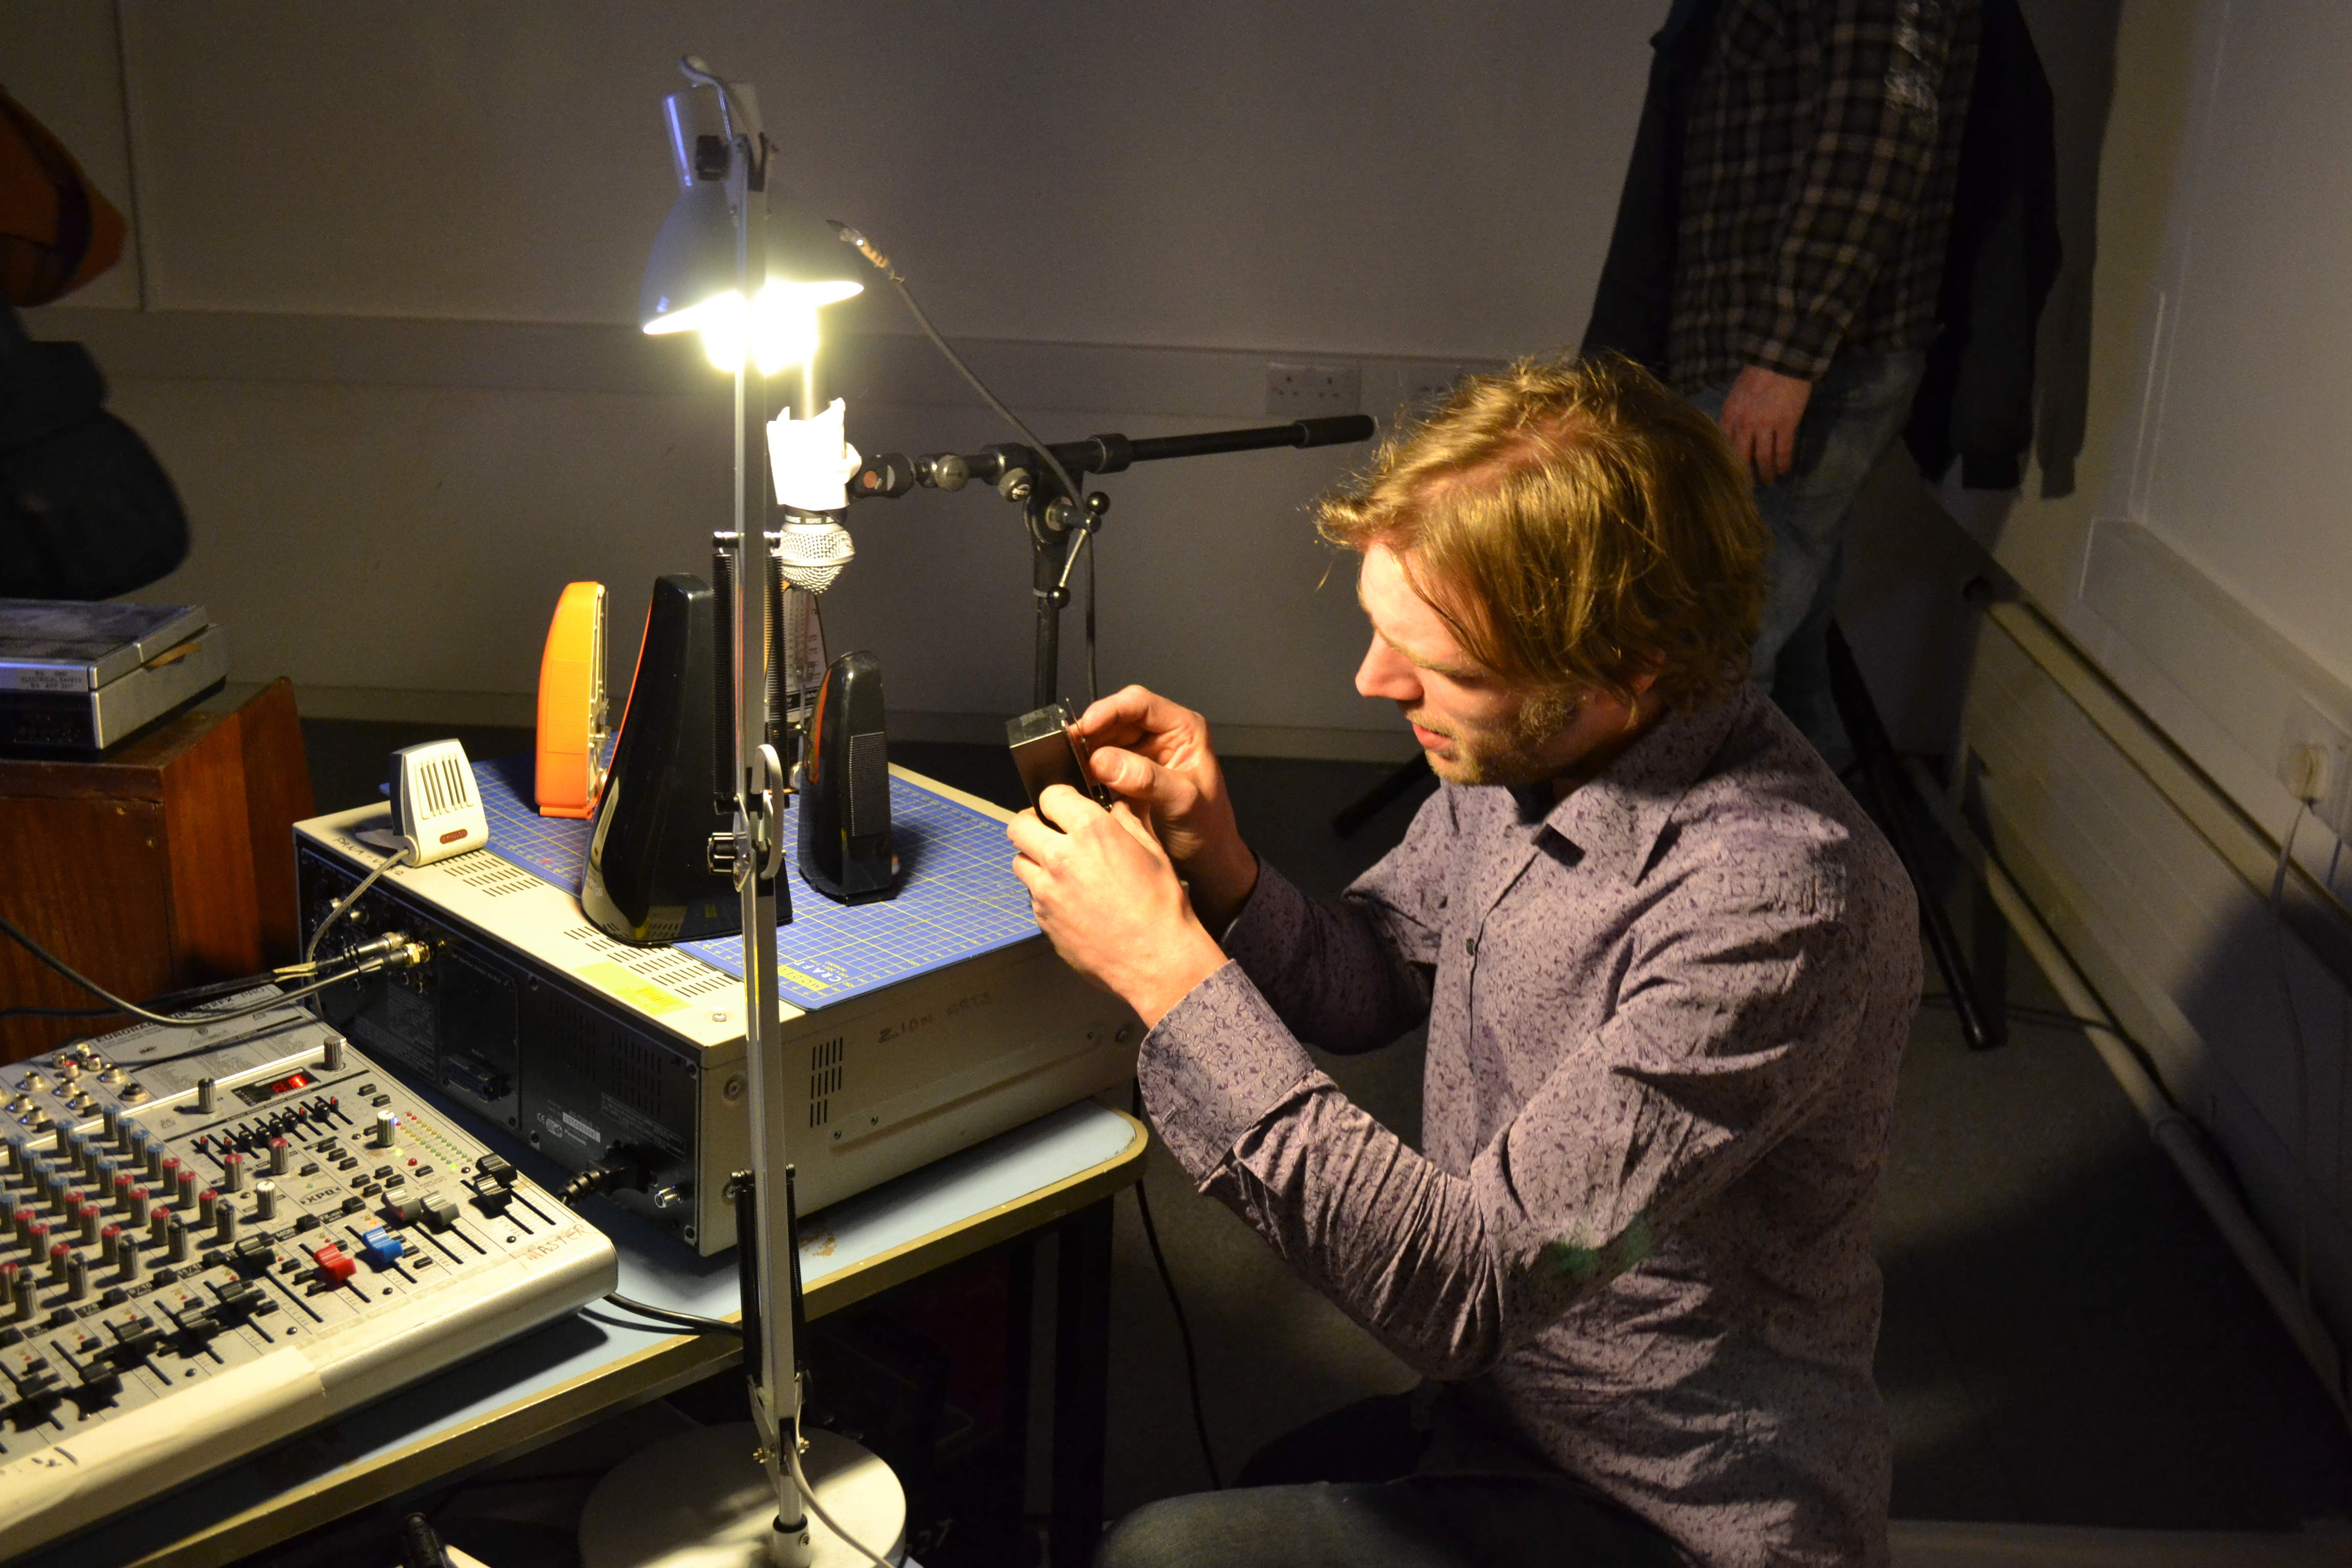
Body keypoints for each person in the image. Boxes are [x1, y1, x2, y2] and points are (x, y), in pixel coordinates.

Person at [1008, 353, 1920, 1568]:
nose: (1372, 683)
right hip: (1505, 1413)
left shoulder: (1779, 903)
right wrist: (1219, 867)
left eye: (1444, 667)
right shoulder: (1530, 744)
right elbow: (1377, 972)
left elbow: (1463, 1289)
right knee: (1265, 1485)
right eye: (1384, 633)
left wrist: (1165, 968)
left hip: (1671, 1509)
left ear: (1629, 667)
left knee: (1162, 1557)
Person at [1586, 0, 1981, 763]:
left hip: (1789, 365)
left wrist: (1785, 359)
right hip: (1757, 355)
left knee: (1713, 660)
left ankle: (1720, 841)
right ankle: (1817, 832)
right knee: (1774, 651)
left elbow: (1873, 140)